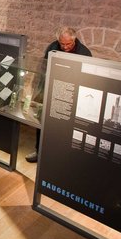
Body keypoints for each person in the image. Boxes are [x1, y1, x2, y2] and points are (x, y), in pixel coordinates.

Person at [26, 26, 92, 163]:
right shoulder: (52, 47)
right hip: (52, 90)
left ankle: (60, 158)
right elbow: (45, 68)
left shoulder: (84, 53)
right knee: (43, 122)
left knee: (64, 130)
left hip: (70, 95)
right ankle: (39, 151)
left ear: (74, 40)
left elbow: (86, 77)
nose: (65, 47)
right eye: (62, 43)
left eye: (68, 44)